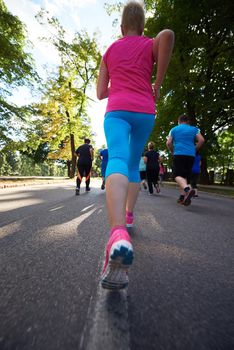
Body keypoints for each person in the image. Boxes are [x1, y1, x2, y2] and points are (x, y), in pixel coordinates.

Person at [97, 1, 174, 289]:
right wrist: (157, 82)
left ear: (121, 26)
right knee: (132, 163)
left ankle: (118, 233)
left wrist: (117, 80)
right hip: (145, 111)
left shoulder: (110, 50)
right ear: (143, 26)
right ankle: (128, 215)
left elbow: (100, 92)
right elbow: (167, 35)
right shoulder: (150, 44)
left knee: (116, 157)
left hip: (117, 110)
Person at [166, 115, 204, 205]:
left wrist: (172, 151)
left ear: (179, 121)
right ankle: (183, 197)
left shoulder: (174, 129)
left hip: (178, 153)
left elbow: (168, 143)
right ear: (188, 121)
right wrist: (194, 150)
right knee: (185, 177)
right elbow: (201, 140)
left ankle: (187, 189)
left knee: (177, 175)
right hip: (191, 155)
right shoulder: (194, 129)